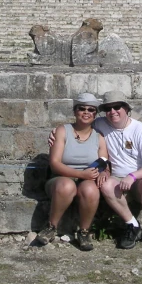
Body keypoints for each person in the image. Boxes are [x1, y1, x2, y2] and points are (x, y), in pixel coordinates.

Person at [48, 90, 142, 251]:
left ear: (126, 109)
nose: (113, 112)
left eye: (117, 107)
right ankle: (132, 225)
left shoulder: (140, 129)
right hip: (117, 177)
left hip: (139, 178)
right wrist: (54, 133)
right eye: (108, 109)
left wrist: (132, 176)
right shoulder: (100, 125)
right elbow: (80, 127)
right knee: (106, 185)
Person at [36, 93, 109, 251]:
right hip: (60, 179)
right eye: (81, 108)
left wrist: (104, 172)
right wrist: (81, 174)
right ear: (75, 111)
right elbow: (55, 164)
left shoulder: (99, 137)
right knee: (67, 185)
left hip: (87, 180)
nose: (86, 112)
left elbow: (103, 162)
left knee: (91, 190)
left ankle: (84, 231)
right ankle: (51, 226)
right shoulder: (63, 131)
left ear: (95, 114)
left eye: (91, 109)